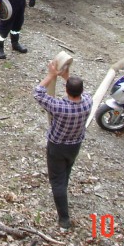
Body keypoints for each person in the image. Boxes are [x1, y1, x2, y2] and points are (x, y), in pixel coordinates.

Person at [33, 59, 93, 231]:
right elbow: (81, 92)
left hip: (57, 147)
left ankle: (64, 219)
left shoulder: (59, 106)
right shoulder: (88, 102)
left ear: (66, 90)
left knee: (57, 181)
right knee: (66, 172)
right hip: (75, 146)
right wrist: (67, 77)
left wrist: (51, 75)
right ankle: (63, 193)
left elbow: (38, 93)